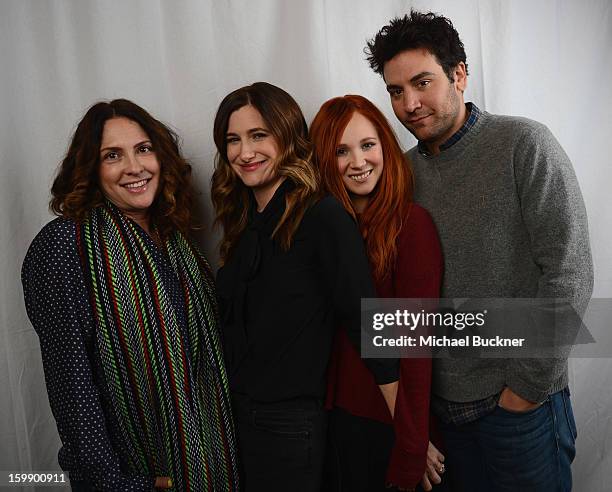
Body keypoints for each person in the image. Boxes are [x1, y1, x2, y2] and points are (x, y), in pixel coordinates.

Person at [365, 10, 593, 492]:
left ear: (460, 74)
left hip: (517, 412)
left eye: (422, 82)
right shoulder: (399, 176)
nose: (409, 103)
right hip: (443, 420)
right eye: (395, 91)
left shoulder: (522, 144)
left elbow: (568, 272)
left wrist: (524, 392)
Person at [22, 99, 239, 491]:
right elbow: (71, 383)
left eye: (143, 149)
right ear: (90, 169)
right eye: (112, 156)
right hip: (135, 475)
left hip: (209, 467)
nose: (134, 167)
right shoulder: (64, 246)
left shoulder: (177, 244)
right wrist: (116, 483)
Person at [211, 82, 399, 492]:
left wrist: (411, 432)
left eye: (259, 135)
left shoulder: (321, 215)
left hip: (290, 426)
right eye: (233, 140)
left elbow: (366, 323)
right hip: (236, 419)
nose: (245, 152)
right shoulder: (243, 222)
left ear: (287, 137)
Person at [310, 95, 446, 492]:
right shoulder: (326, 226)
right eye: (341, 150)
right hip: (336, 418)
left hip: (390, 418)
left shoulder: (410, 224)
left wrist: (412, 442)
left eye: (368, 145)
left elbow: (418, 344)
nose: (358, 161)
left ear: (385, 146)